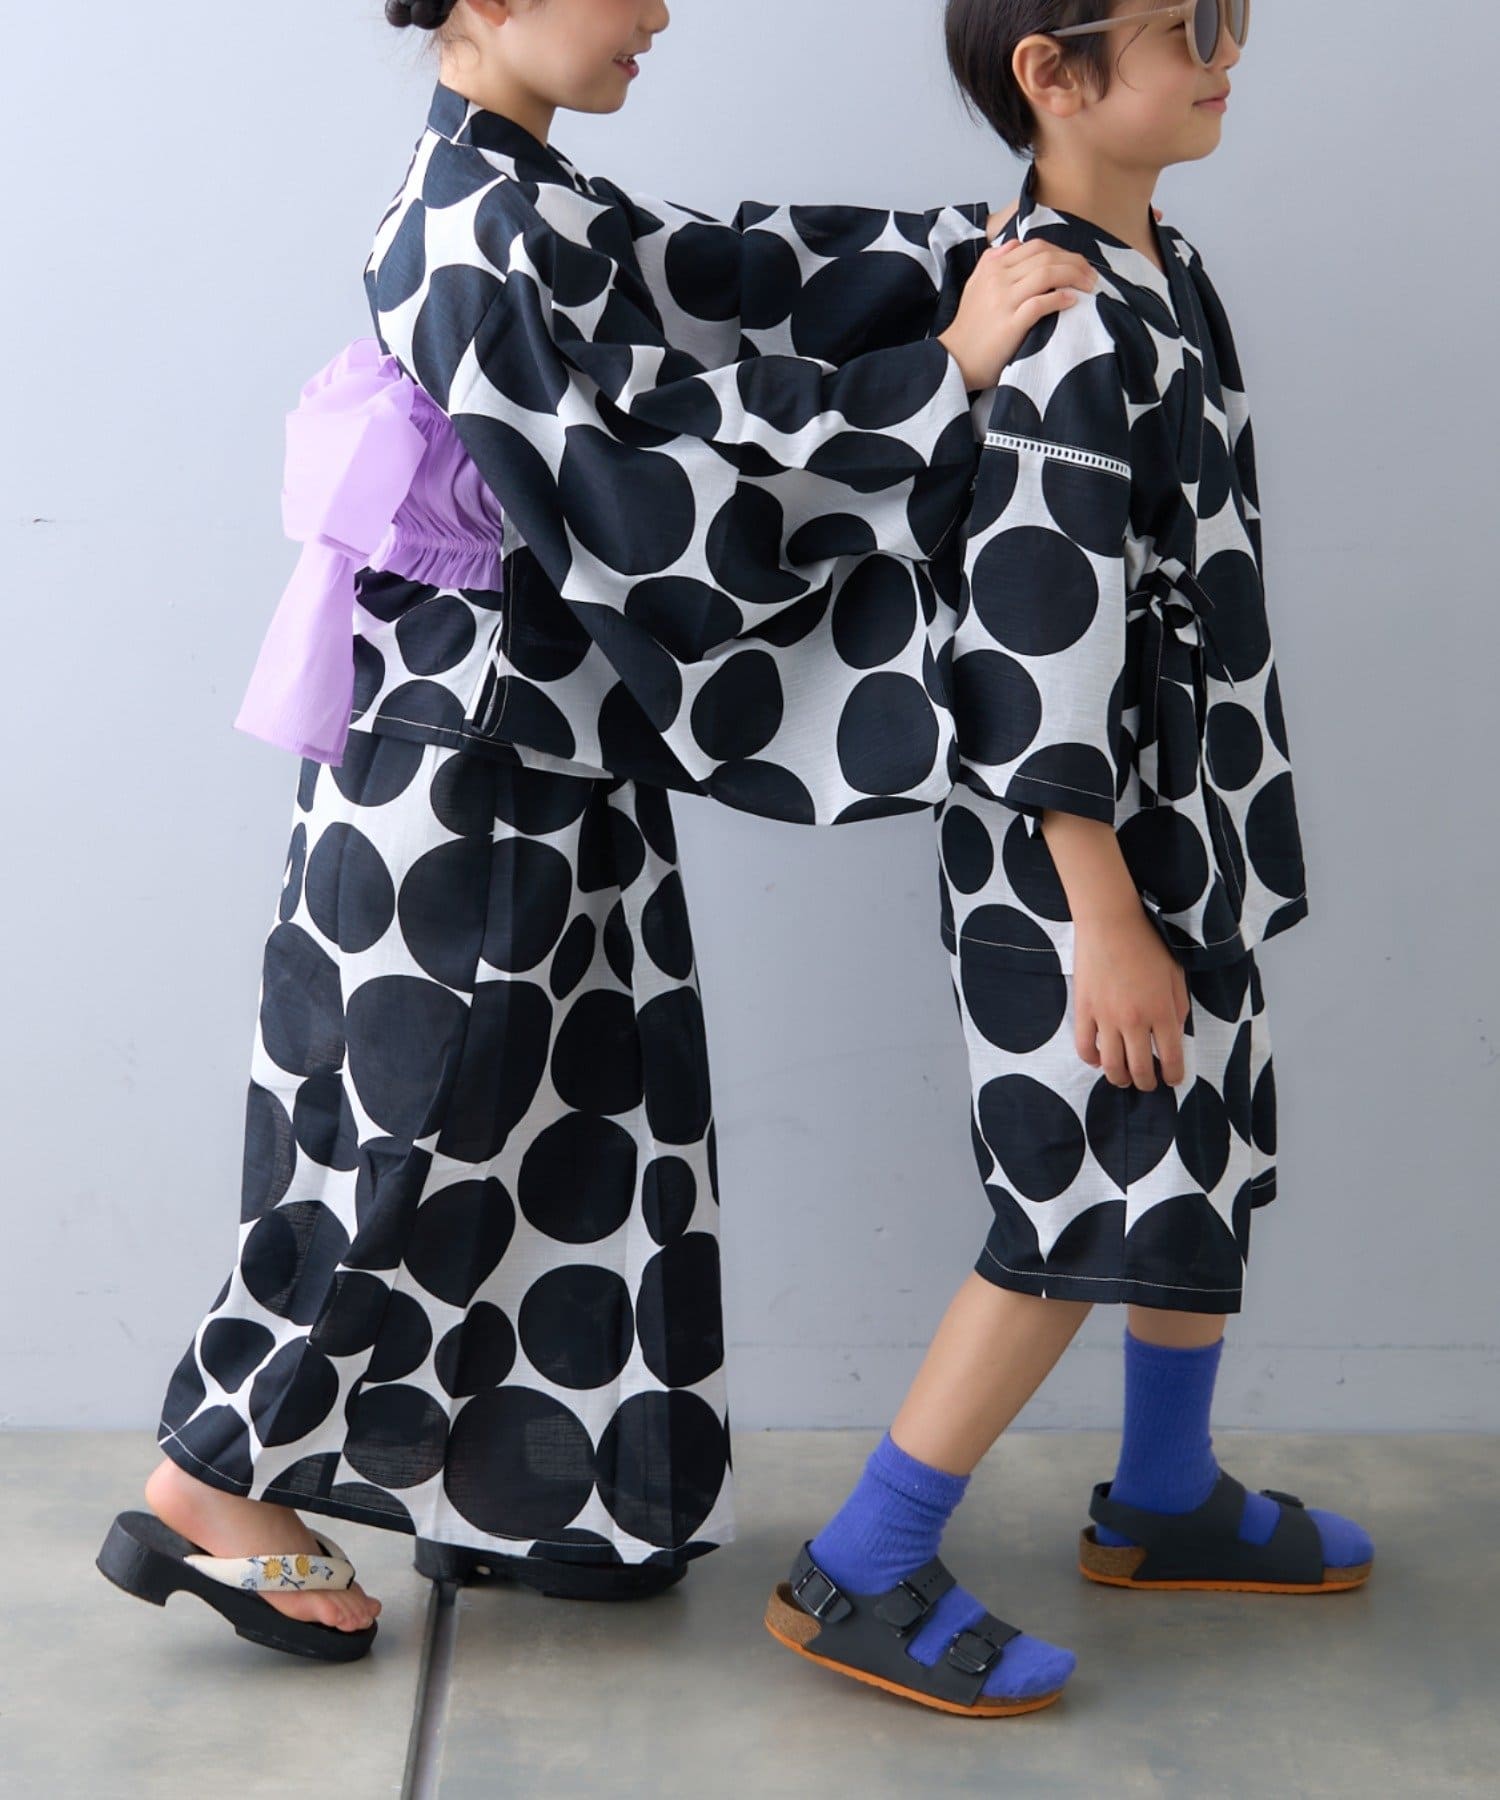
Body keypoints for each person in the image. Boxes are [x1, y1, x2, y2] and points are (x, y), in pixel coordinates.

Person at [95, 0, 1097, 1663]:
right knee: (415, 1112)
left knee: (589, 1108)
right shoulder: (474, 220)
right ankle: (211, 1472)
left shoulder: (525, 192)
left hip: (539, 731)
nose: (657, 10)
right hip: (468, 745)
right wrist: (943, 377)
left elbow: (726, 278)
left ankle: (549, 1495)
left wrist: (959, 253)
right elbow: (637, 483)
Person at [763, 0, 1374, 1719]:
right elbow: (1032, 627)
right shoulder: (1063, 314)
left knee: (1189, 1163)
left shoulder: (1166, 271)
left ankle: (1165, 1496)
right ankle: (862, 1562)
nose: (1227, 51)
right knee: (1077, 1191)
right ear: (1053, 72)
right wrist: (1102, 912)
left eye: (1232, 15)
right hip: (1079, 854)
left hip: (1187, 832)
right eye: (1188, 24)